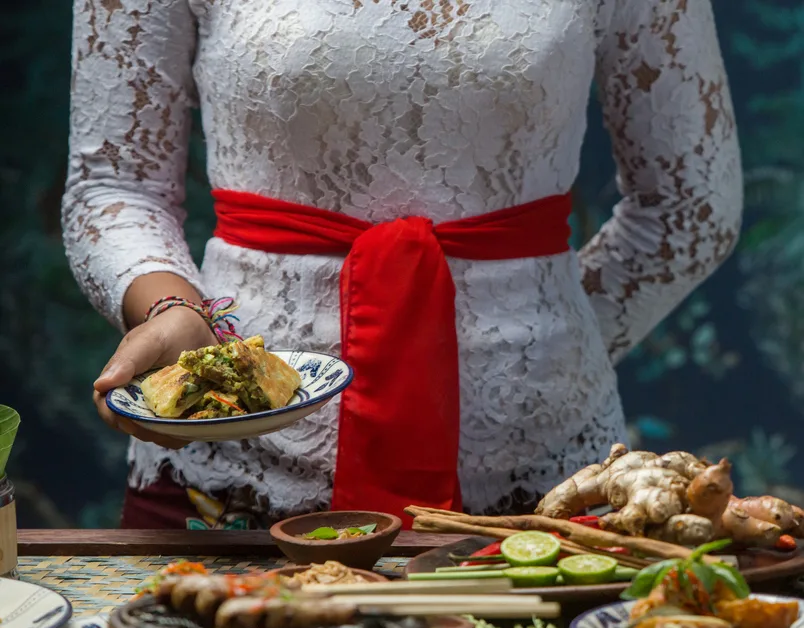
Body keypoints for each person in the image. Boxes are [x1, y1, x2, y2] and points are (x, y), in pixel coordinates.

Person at [64, 0, 742, 531]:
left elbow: (691, 205)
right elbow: (113, 184)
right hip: (235, 454)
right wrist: (174, 312)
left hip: (544, 478)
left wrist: (546, 339)